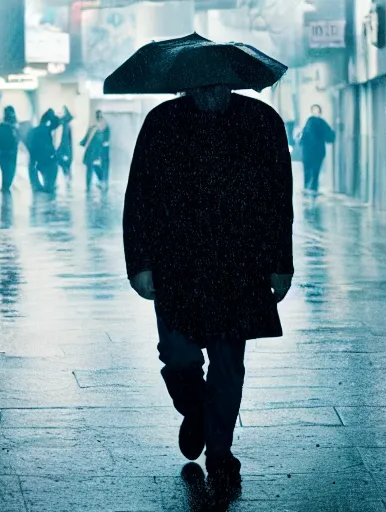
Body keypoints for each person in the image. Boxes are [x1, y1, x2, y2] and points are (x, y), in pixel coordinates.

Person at [123, 84, 293, 491]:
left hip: (240, 264)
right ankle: (198, 411)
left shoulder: (261, 121)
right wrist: (140, 263)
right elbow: (140, 197)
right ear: (188, 85)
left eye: (219, 82)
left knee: (228, 364)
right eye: (204, 83)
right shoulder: (163, 122)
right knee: (177, 354)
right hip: (177, 262)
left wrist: (279, 263)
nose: (212, 90)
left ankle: (220, 451)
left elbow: (278, 198)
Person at [299, 105, 335, 197]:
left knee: (310, 170)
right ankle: (312, 187)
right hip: (317, 151)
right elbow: (330, 137)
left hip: (310, 152)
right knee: (315, 170)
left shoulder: (309, 122)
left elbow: (302, 139)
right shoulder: (321, 122)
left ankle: (308, 187)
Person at [29, 109, 60, 194]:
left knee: (48, 187)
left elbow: (32, 149)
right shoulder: (47, 129)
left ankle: (47, 191)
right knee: (50, 188)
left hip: (41, 162)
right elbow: (57, 123)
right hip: (49, 161)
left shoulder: (35, 131)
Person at [81, 111, 110, 191]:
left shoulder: (100, 129)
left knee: (93, 168)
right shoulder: (94, 128)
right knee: (91, 168)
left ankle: (98, 182)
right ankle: (90, 185)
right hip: (91, 152)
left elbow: (100, 143)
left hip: (94, 153)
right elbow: (86, 139)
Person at [0, 106, 20, 192]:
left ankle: (6, 186)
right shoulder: (2, 126)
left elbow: (17, 139)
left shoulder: (15, 126)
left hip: (12, 153)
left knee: (11, 171)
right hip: (3, 154)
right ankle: (5, 187)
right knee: (6, 171)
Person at [57, 106, 74, 184]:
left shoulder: (66, 124)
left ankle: (68, 175)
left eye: (62, 112)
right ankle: (68, 175)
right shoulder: (64, 123)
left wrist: (65, 151)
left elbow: (66, 139)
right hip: (63, 147)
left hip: (64, 147)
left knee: (63, 162)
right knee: (63, 162)